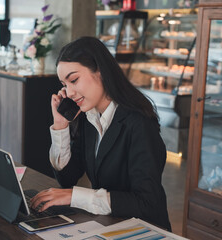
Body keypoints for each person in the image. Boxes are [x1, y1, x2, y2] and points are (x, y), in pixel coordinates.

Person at [30, 36, 171, 231]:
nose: (69, 93)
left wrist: (74, 196)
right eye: (65, 85)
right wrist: (61, 125)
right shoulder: (90, 117)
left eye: (74, 80)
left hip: (144, 230)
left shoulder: (139, 123)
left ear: (101, 71)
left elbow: (146, 202)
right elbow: (67, 178)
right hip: (111, 225)